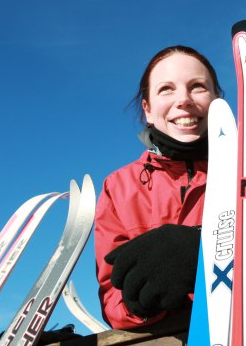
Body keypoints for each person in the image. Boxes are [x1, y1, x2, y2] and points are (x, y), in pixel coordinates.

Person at [94, 45, 222, 330]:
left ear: (217, 99)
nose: (184, 100)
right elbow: (112, 300)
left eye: (198, 86)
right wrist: (141, 301)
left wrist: (206, 249)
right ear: (148, 109)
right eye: (166, 89)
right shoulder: (118, 187)